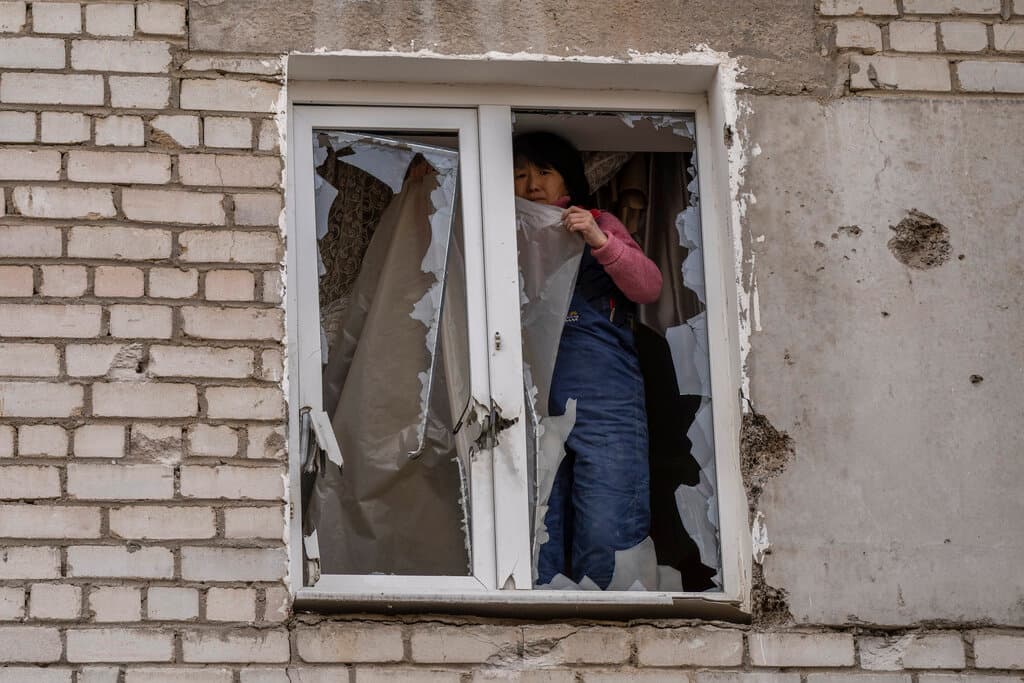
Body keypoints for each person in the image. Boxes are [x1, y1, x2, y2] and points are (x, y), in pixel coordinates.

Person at [513, 132, 663, 589]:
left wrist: (600, 239)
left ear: (568, 183)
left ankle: (612, 623)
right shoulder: (499, 235)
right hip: (525, 395)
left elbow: (649, 288)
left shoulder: (600, 224)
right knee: (536, 523)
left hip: (605, 395)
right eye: (520, 173)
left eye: (544, 171)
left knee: (608, 514)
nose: (532, 184)